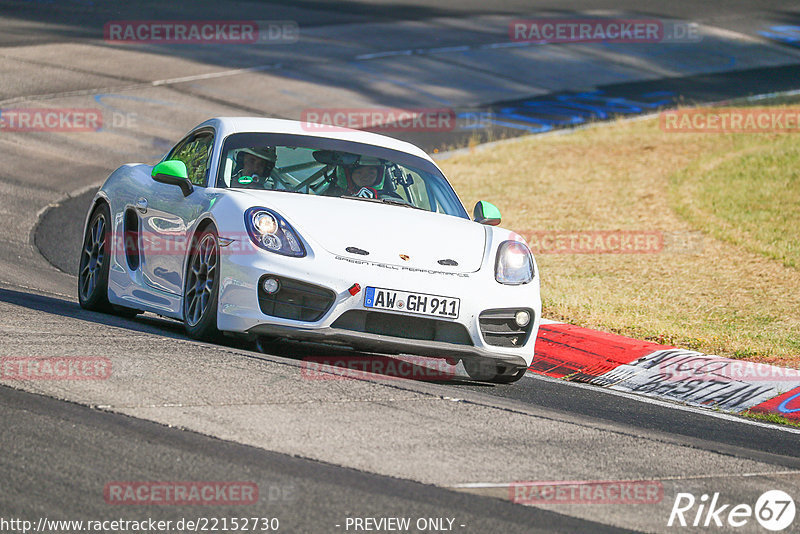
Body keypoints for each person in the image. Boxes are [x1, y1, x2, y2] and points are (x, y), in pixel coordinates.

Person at [324, 157, 400, 199]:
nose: (366, 177)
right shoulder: (328, 200)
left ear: (379, 176)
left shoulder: (392, 202)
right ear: (347, 176)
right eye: (359, 172)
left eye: (371, 173)